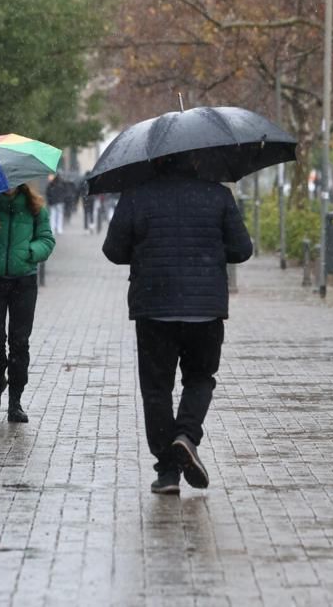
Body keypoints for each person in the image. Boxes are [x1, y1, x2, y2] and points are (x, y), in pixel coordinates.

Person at [102, 155, 253, 495]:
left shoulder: (137, 195)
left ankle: (167, 472)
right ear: (197, 159)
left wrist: (145, 249)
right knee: (200, 379)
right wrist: (210, 247)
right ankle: (186, 435)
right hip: (206, 308)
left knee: (156, 389)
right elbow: (242, 250)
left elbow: (113, 250)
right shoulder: (218, 195)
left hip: (154, 307)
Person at [0, 183, 55, 423]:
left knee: (20, 342)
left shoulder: (35, 208)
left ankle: (15, 402)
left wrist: (30, 251)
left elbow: (47, 240)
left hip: (23, 282)